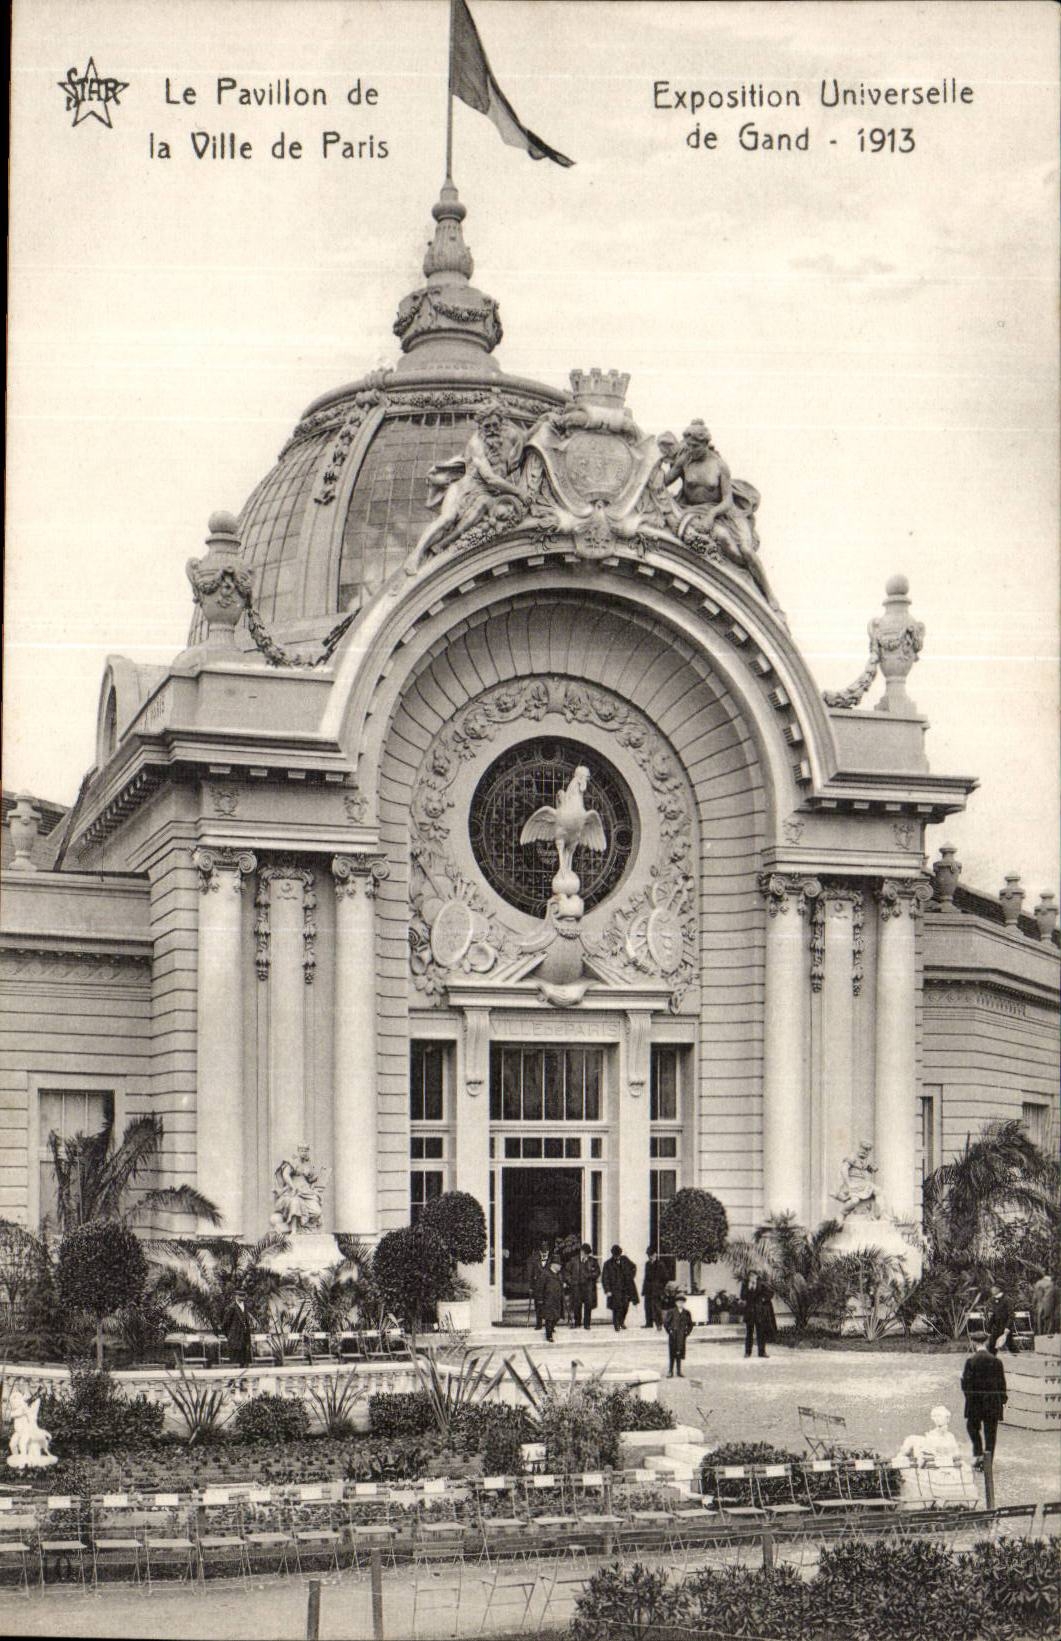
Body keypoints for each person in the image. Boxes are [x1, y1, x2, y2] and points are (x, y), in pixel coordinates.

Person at [961, 1338, 1008, 1470]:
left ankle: (978, 1453)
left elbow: (966, 1385)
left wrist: (969, 1399)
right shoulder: (997, 1361)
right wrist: (1003, 1401)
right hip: (992, 1404)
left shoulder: (970, 1362)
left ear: (974, 1344)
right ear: (987, 1343)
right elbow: (1002, 1384)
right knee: (991, 1434)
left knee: (972, 1427)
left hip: (975, 1403)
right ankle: (987, 1463)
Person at [601, 1244, 639, 1332]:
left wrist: (631, 1276)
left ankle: (621, 1321)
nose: (617, 1257)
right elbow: (605, 1278)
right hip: (615, 1289)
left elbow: (634, 1267)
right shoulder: (607, 1264)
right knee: (616, 1307)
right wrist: (607, 1290)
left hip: (626, 1288)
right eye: (616, 1256)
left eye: (618, 1255)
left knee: (625, 1305)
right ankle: (616, 1324)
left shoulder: (625, 1260)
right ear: (613, 1255)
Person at [563, 1243, 601, 1331]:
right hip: (576, 1287)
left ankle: (587, 1324)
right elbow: (566, 1272)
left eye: (588, 1253)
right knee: (577, 1305)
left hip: (588, 1287)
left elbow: (598, 1272)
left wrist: (590, 1275)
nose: (586, 1255)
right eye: (585, 1253)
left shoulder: (593, 1261)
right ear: (581, 1251)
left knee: (588, 1305)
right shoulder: (573, 1260)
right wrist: (570, 1281)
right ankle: (577, 1322)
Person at [740, 1272, 775, 1359]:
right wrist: (749, 1288)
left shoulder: (762, 1284)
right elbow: (742, 1296)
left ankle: (762, 1352)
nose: (752, 1277)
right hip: (750, 1312)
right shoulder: (745, 1284)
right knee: (749, 1333)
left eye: (754, 1275)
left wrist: (764, 1299)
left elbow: (771, 1293)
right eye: (750, 1275)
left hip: (759, 1312)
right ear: (748, 1277)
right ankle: (748, 1352)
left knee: (761, 1333)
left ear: (757, 1276)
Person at [664, 1292, 695, 1377]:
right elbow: (666, 1323)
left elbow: (690, 1324)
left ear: (684, 1303)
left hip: (681, 1336)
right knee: (672, 1353)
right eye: (678, 1302)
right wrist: (669, 1331)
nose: (680, 1304)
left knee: (679, 1353)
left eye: (682, 1302)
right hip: (673, 1335)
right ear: (676, 1303)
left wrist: (687, 1332)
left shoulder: (687, 1312)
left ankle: (679, 1371)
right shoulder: (671, 1312)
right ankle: (670, 1371)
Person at [985, 1283, 1017, 1355]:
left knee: (1011, 1346)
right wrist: (989, 1328)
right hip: (996, 1327)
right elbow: (993, 1314)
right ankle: (991, 1362)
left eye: (994, 1288)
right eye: (992, 1288)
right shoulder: (992, 1300)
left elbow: (1011, 1315)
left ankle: (1020, 1361)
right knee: (991, 1347)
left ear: (999, 1289)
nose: (992, 1290)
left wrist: (1007, 1327)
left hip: (1005, 1327)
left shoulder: (1007, 1300)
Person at [526, 1240, 551, 1330]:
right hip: (538, 1286)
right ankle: (539, 1324)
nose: (544, 1253)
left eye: (546, 1251)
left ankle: (550, 1325)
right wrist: (531, 1287)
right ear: (540, 1251)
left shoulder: (552, 1259)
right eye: (542, 1251)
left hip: (549, 1286)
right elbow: (531, 1274)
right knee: (538, 1305)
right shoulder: (534, 1260)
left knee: (549, 1305)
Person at [540, 1259, 565, 1344]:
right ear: (553, 1265)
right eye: (559, 1265)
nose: (560, 1266)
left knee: (557, 1316)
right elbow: (540, 1287)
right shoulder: (545, 1274)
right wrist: (540, 1299)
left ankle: (551, 1328)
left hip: (557, 1299)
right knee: (549, 1318)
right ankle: (549, 1335)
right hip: (548, 1299)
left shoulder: (559, 1275)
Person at [642, 1249, 667, 1330]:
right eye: (649, 1255)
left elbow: (665, 1277)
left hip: (657, 1289)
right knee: (647, 1306)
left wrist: (660, 1286)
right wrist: (644, 1289)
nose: (650, 1257)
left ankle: (659, 1324)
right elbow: (646, 1277)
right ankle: (648, 1323)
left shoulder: (660, 1264)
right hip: (648, 1289)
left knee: (656, 1307)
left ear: (655, 1254)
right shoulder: (647, 1264)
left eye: (651, 1255)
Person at [1032, 1270, 1060, 1336]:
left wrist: (1034, 1305)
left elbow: (1034, 1297)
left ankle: (1040, 1337)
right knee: (1050, 1323)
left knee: (1039, 1324)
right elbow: (1052, 1298)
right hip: (1049, 1307)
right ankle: (1047, 1339)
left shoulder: (1037, 1283)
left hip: (1039, 1306)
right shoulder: (1051, 1284)